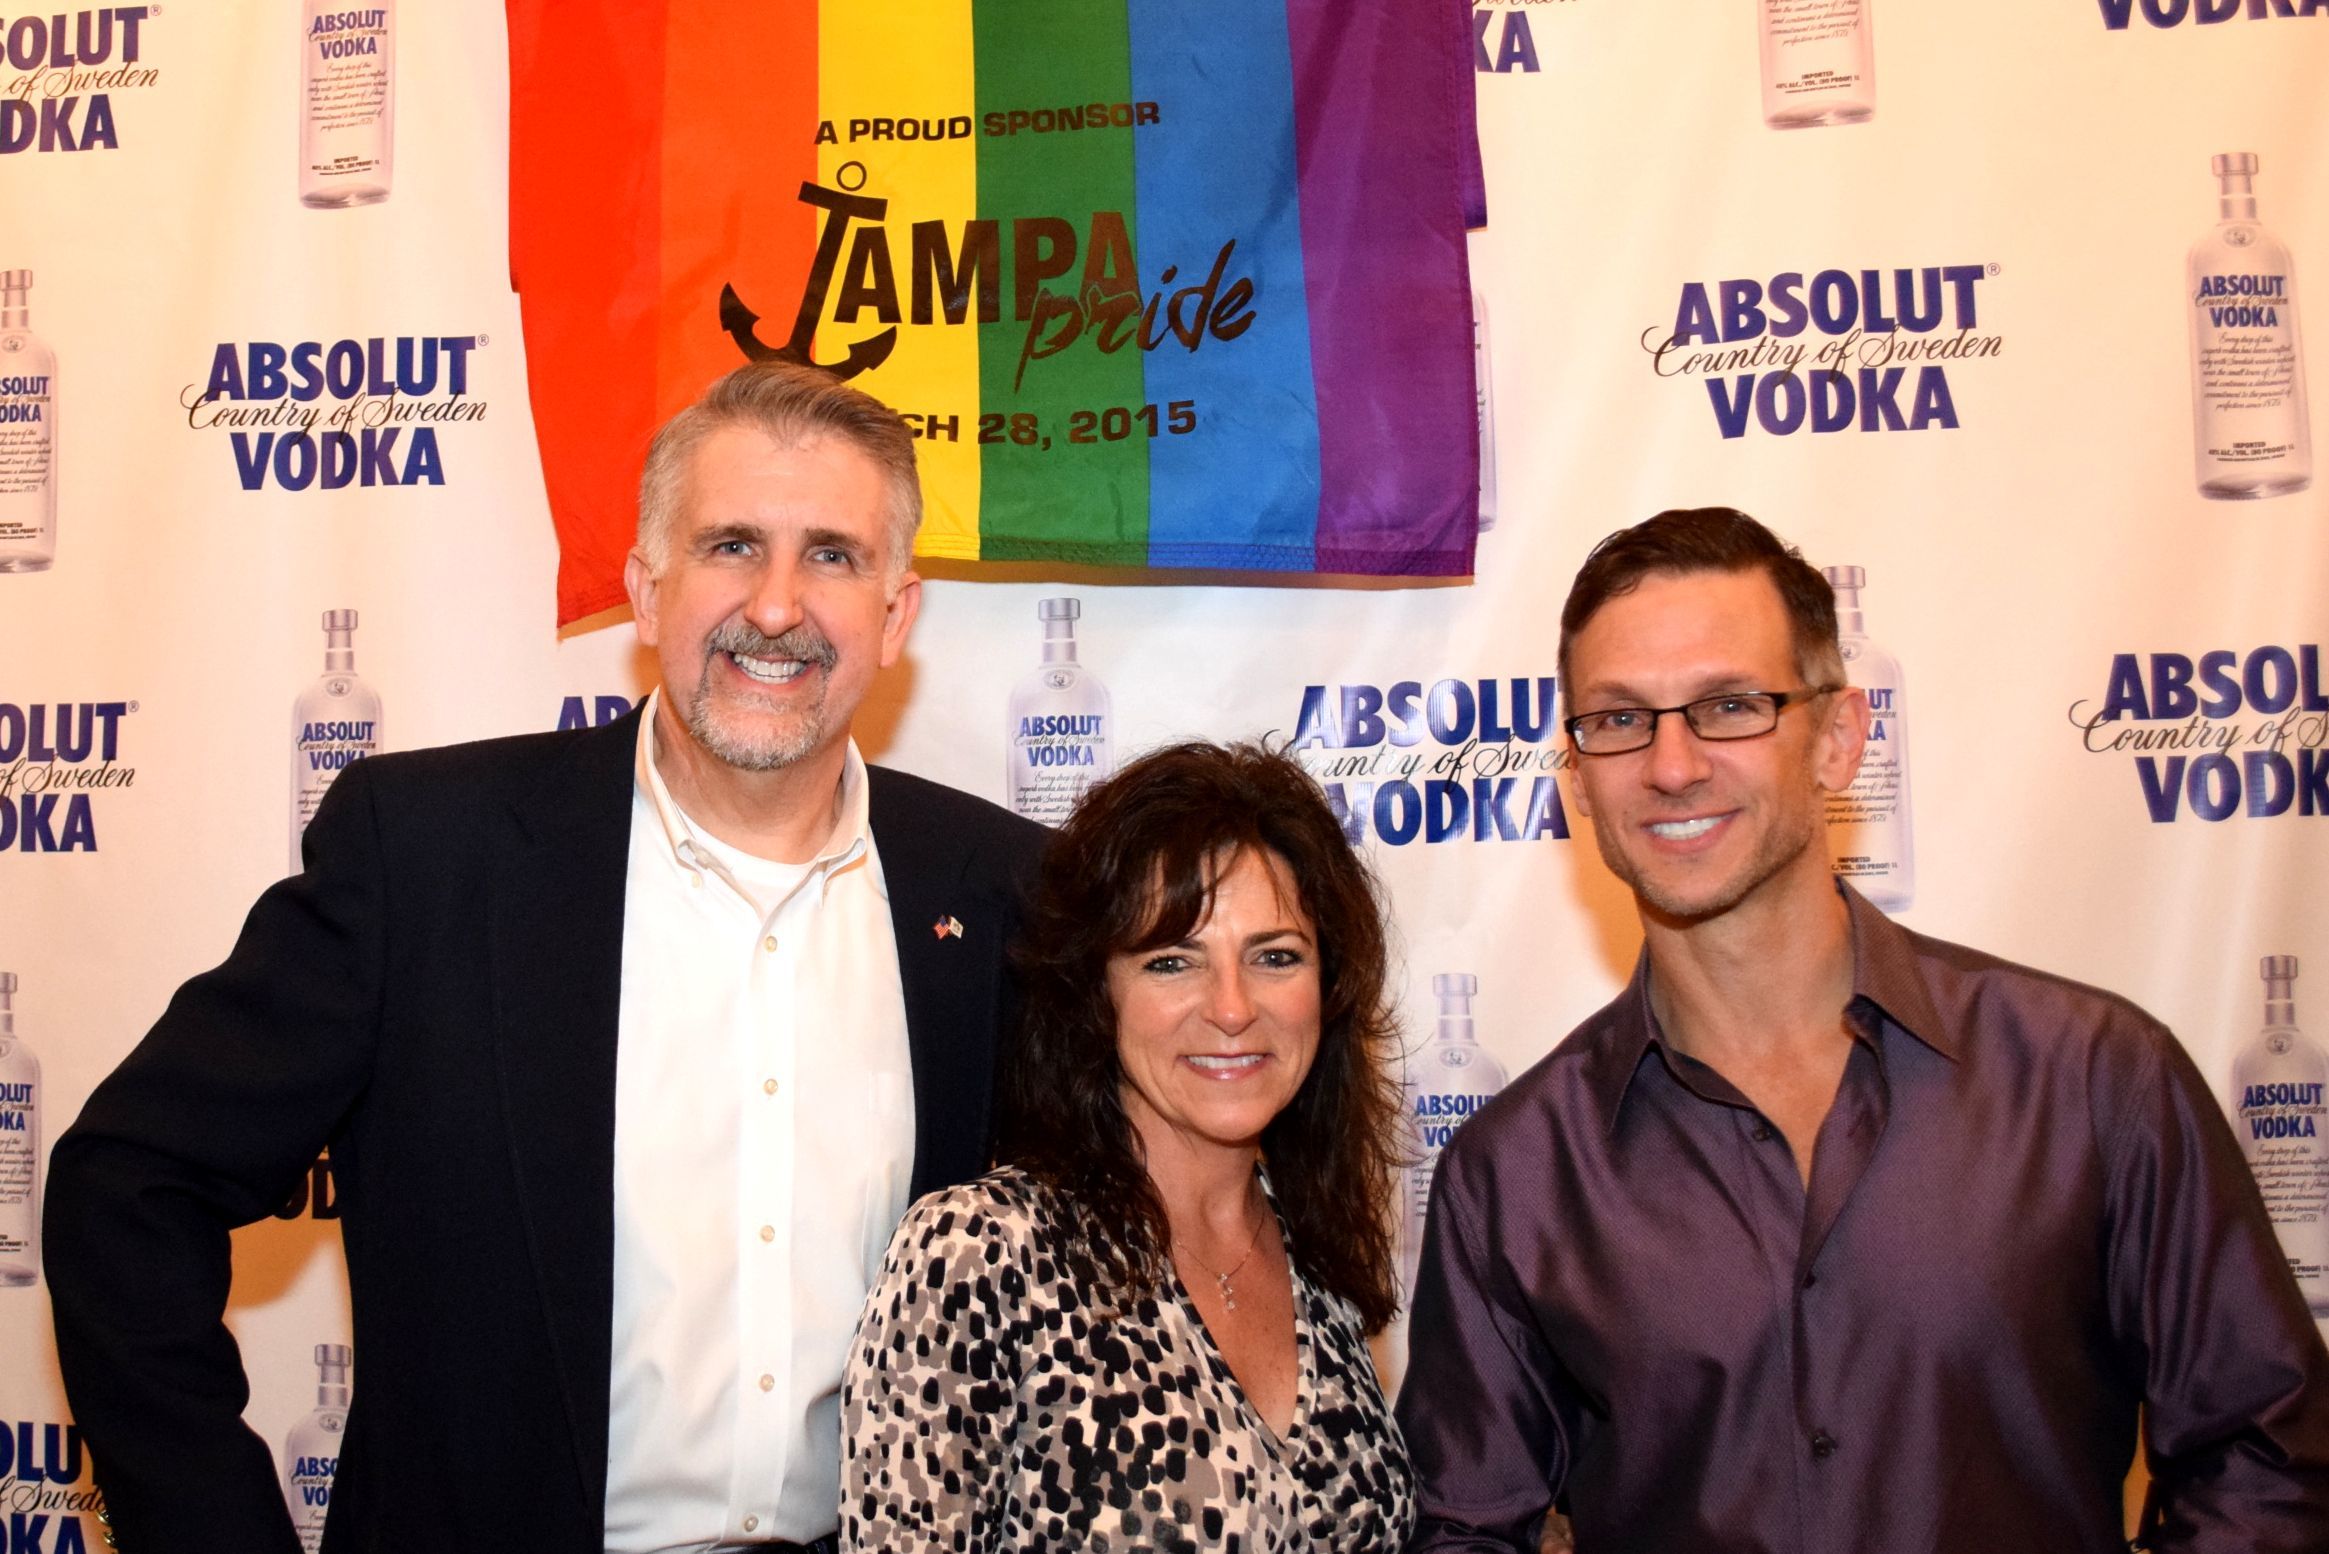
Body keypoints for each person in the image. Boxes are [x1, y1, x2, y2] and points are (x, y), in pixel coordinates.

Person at [45, 361, 1047, 1554]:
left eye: (831, 555)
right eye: (730, 545)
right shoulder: (426, 856)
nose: (777, 606)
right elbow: (127, 1189)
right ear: (646, 591)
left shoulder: (1003, 892)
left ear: (893, 614)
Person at [1398, 508, 2329, 1554]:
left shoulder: (2092, 1081)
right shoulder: (1513, 1175)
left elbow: (2263, 1462)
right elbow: (1465, 1531)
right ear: (1576, 774)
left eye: (1730, 706)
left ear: (1838, 739)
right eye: (1619, 719)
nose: (1671, 765)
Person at [840, 742, 1415, 1552]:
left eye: (1275, 956)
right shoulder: (979, 1257)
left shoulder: (1319, 1254)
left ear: (1329, 985)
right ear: (1095, 991)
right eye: (1171, 961)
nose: (1231, 1008)